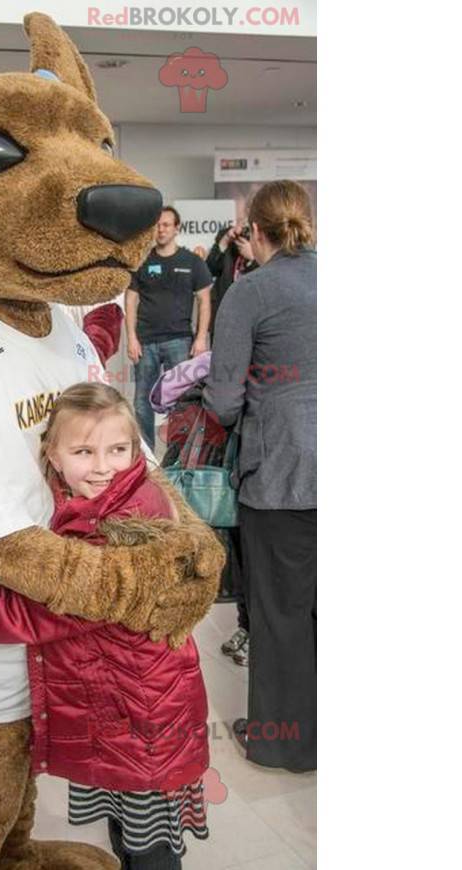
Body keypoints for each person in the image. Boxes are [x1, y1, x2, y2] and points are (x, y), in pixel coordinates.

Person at [0, 383, 211, 870]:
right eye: (84, 452)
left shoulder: (121, 529)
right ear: (53, 456)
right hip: (124, 704)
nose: (103, 466)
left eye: (119, 450)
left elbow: (29, 612)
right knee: (129, 825)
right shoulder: (94, 500)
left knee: (149, 846)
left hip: (141, 714)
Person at [202, 179, 317, 772]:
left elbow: (222, 400)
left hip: (284, 473)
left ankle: (286, 739)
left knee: (281, 611)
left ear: (257, 231)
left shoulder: (252, 292)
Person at [126, 206, 213, 452]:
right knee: (142, 403)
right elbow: (130, 299)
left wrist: (200, 339)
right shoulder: (142, 261)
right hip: (146, 342)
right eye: (157, 225)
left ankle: (179, 453)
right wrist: (131, 337)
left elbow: (204, 300)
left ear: (177, 229)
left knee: (181, 401)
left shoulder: (192, 262)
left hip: (180, 341)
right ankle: (147, 458)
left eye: (166, 225)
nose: (161, 229)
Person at [206, 224, 259, 338]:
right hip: (224, 320)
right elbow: (210, 268)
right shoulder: (228, 245)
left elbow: (267, 278)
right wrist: (225, 241)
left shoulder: (263, 250)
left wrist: (252, 259)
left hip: (250, 322)